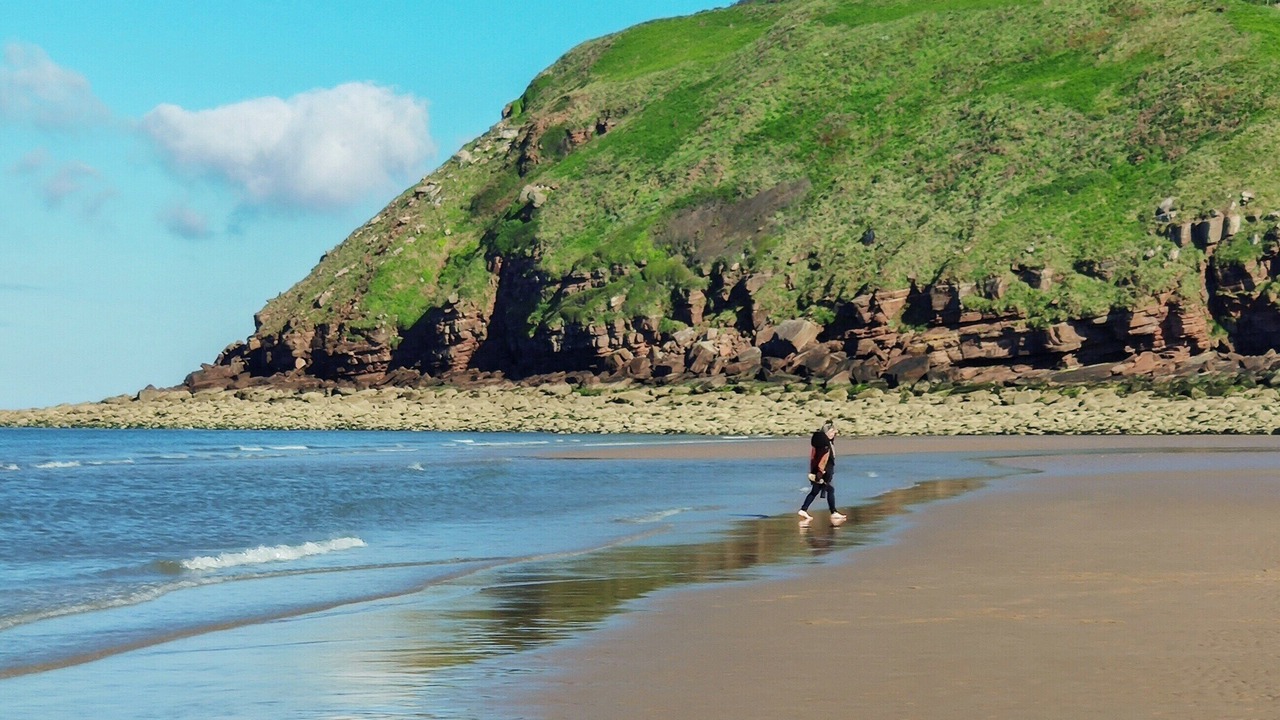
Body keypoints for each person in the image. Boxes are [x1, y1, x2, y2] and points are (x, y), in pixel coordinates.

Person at [799, 420, 846, 523]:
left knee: (816, 491)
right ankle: (833, 512)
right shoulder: (824, 444)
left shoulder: (826, 442)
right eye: (832, 432)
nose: (834, 434)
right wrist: (821, 471)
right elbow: (822, 459)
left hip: (822, 470)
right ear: (827, 432)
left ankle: (803, 509)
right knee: (830, 490)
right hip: (823, 471)